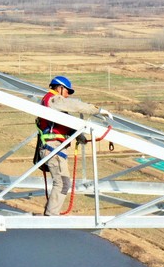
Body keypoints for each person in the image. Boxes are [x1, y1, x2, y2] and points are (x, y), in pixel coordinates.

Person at [35, 75, 110, 216]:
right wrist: (97, 110)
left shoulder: (53, 104)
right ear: (60, 88)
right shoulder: (53, 99)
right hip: (53, 148)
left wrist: (76, 134)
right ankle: (51, 215)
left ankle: (51, 213)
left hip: (55, 149)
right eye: (67, 91)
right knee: (62, 183)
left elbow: (61, 123)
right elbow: (74, 105)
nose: (68, 95)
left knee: (63, 183)